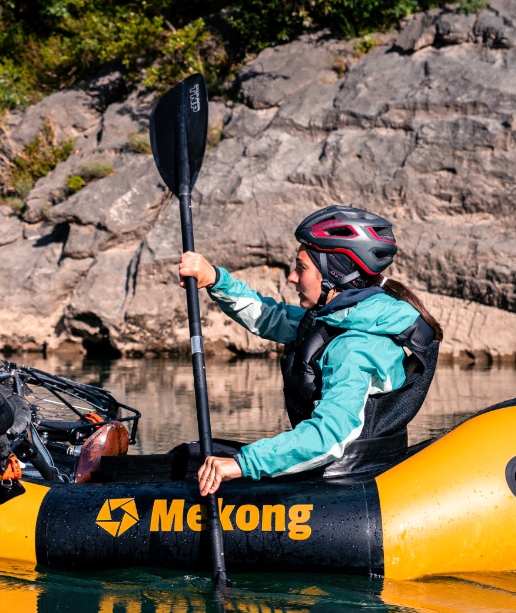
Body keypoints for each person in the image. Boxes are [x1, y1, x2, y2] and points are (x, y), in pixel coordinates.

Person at [178, 206, 443, 495]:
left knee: (199, 463)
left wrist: (241, 464)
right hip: (332, 473)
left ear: (334, 275)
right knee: (190, 456)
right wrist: (215, 279)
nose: (292, 277)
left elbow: (328, 437)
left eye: (301, 268)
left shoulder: (356, 347)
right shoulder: (337, 318)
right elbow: (270, 317)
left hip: (349, 484)